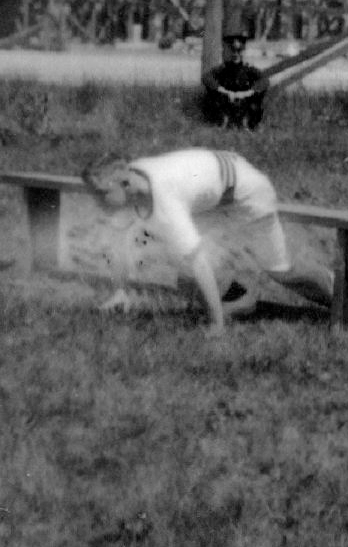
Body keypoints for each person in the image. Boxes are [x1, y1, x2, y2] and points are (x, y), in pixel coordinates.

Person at [81, 148, 334, 330]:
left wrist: (216, 327)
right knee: (186, 278)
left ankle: (340, 296)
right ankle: (241, 299)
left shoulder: (165, 199)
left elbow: (199, 263)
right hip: (214, 198)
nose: (97, 202)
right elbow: (119, 236)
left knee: (280, 271)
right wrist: (120, 291)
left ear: (125, 183)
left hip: (247, 193)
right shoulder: (135, 183)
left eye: (101, 194)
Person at [201, 24, 270, 129]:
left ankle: (247, 124)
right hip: (226, 102)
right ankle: (223, 122)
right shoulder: (222, 69)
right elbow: (206, 77)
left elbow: (264, 80)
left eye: (239, 51)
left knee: (256, 103)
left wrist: (248, 92)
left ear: (243, 52)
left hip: (244, 103)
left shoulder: (249, 69)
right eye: (233, 51)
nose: (236, 55)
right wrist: (224, 91)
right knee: (214, 100)